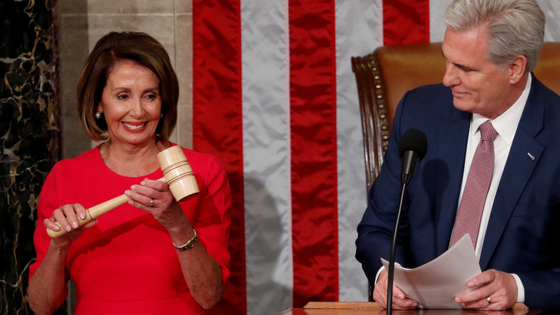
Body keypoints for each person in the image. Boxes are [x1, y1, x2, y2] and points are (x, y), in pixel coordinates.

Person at [356, 0, 560, 311]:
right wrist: (387, 274)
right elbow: (379, 227)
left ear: (514, 69)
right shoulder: (420, 112)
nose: (448, 78)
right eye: (447, 61)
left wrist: (517, 287)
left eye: (464, 68)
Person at [28, 32, 231, 315]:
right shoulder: (66, 177)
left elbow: (210, 296)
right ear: (99, 104)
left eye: (150, 96)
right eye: (123, 96)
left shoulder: (203, 172)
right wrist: (58, 248)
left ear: (163, 103)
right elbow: (41, 306)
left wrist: (177, 224)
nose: (138, 111)